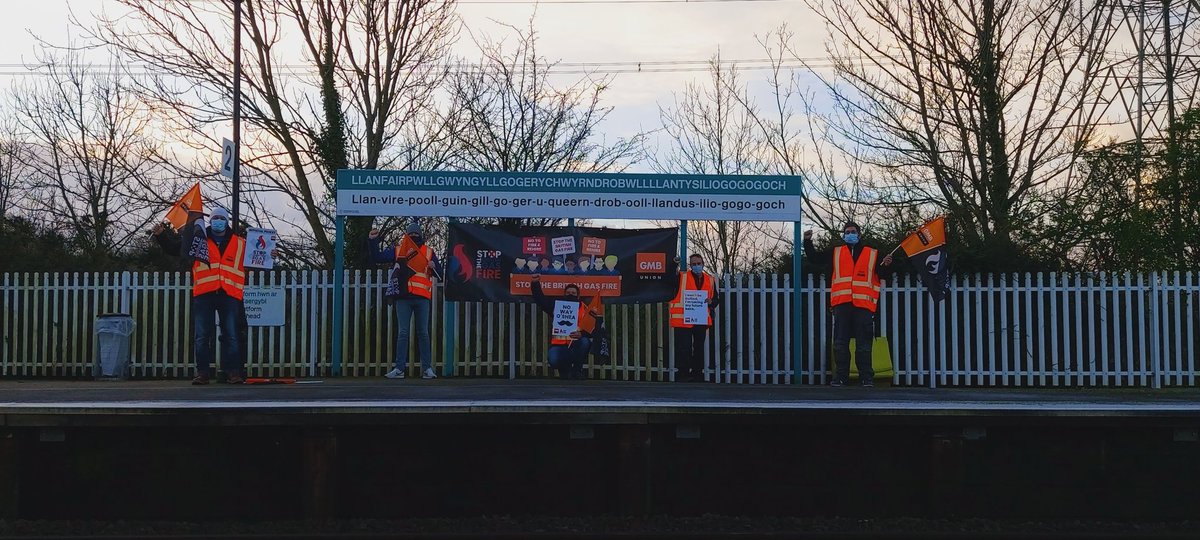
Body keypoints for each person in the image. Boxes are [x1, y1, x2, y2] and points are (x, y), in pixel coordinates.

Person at [151, 207, 248, 385]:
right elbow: (175, 249)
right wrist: (161, 236)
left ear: (227, 221)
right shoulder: (198, 238)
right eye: (215, 218)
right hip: (205, 292)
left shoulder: (241, 243)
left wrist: (270, 255)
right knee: (203, 335)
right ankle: (202, 373)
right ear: (210, 220)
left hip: (229, 293)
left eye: (222, 218)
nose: (219, 221)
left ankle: (234, 373)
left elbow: (257, 261)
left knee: (231, 335)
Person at [803, 221, 896, 387]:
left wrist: (888, 265)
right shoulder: (835, 252)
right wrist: (808, 242)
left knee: (864, 345)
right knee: (840, 343)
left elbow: (882, 274)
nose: (850, 234)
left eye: (853, 231)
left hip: (863, 305)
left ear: (859, 234)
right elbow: (815, 259)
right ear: (844, 235)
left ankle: (866, 378)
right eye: (847, 232)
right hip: (842, 304)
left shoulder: (873, 254)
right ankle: (840, 377)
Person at [369, 222, 442, 380]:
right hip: (405, 297)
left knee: (420, 333)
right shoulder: (399, 250)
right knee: (407, 333)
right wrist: (373, 241)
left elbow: (440, 273)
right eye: (412, 235)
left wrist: (434, 265)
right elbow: (378, 258)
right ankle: (402, 369)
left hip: (420, 298)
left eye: (415, 235)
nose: (414, 237)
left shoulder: (428, 252)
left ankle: (425, 368)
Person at [530, 275, 598, 379]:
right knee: (554, 359)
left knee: (585, 342)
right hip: (559, 345)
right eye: (568, 293)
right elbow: (540, 300)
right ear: (564, 294)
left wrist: (582, 334)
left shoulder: (585, 309)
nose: (571, 295)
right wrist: (535, 283)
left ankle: (577, 370)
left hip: (576, 343)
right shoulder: (556, 305)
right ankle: (565, 370)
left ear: (578, 296)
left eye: (573, 293)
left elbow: (593, 328)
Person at [668, 254, 721, 382]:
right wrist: (674, 264)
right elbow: (670, 280)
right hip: (682, 319)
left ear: (703, 263)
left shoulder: (710, 279)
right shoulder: (682, 277)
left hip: (700, 319)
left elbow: (715, 299)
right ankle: (683, 374)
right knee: (684, 348)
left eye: (698, 263)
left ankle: (697, 373)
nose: (696, 266)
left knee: (698, 348)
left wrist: (711, 302)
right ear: (690, 265)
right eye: (693, 264)